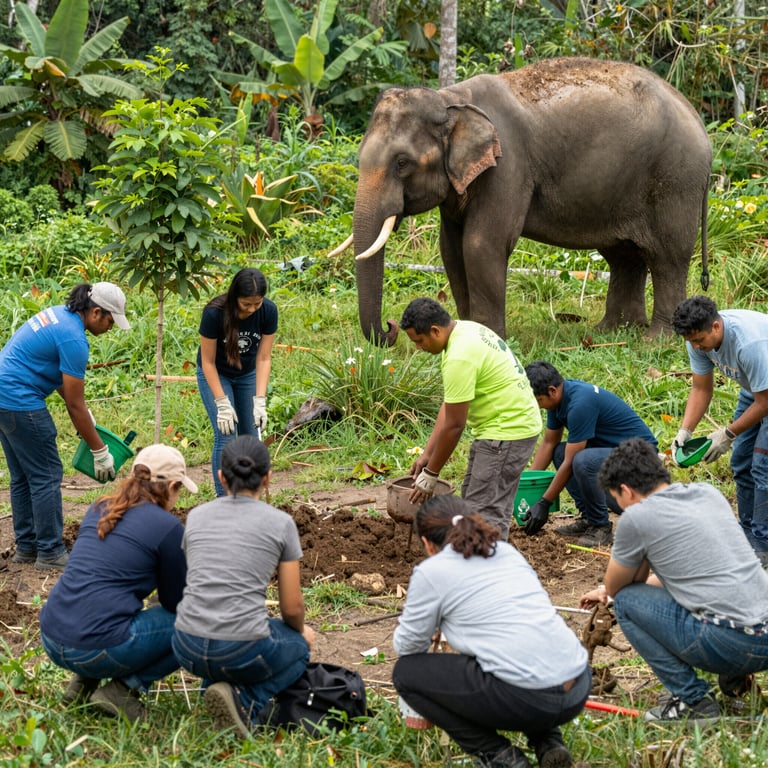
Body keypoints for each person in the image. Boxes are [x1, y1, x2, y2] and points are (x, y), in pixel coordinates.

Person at [579, 438, 768, 723]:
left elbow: (622, 590)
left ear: (626, 491)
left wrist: (611, 588)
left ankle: (693, 700)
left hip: (734, 643)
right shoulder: (708, 494)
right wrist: (609, 588)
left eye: (616, 499)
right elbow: (691, 574)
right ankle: (736, 683)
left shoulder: (637, 517)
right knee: (719, 592)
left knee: (627, 603)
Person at [393, 495, 590, 768]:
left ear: (427, 543)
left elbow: (408, 647)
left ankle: (500, 756)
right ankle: (549, 743)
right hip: (577, 684)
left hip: (529, 699)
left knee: (406, 673)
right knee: (515, 652)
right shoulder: (506, 552)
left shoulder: (432, 571)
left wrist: (435, 622)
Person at [39, 444, 197, 722]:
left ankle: (82, 685)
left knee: (102, 605)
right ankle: (123, 690)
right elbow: (177, 603)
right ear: (172, 486)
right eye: (179, 490)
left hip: (52, 635)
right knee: (195, 623)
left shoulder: (101, 507)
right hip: (93, 648)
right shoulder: (168, 527)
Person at [172, 435, 315, 738]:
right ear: (268, 478)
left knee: (221, 632)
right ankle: (246, 703)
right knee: (300, 647)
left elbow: (192, 583)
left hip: (186, 645)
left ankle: (211, 697)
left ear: (221, 477)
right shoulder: (281, 523)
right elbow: (292, 608)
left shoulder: (196, 516)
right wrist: (300, 633)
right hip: (240, 647)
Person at [0, 282, 130, 570]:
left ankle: (27, 547)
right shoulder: (74, 339)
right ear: (96, 312)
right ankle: (50, 552)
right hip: (20, 399)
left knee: (22, 475)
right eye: (111, 321)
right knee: (46, 474)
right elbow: (74, 405)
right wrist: (100, 451)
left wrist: (87, 417)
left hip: (3, 395)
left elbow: (61, 379)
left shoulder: (60, 315)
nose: (110, 328)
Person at [401, 297, 542, 539]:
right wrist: (427, 454)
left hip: (506, 432)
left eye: (419, 340)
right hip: (509, 427)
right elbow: (450, 405)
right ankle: (490, 556)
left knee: (482, 515)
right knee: (477, 503)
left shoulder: (459, 356)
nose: (418, 348)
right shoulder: (464, 331)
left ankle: (489, 560)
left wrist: (431, 474)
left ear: (435, 331)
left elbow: (455, 426)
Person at [671, 295, 768, 563]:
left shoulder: (749, 343)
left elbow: (765, 402)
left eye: (699, 340)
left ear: (716, 326)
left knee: (763, 466)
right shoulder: (698, 338)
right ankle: (746, 531)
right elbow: (701, 389)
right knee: (741, 461)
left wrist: (727, 433)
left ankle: (763, 542)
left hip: (765, 393)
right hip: (756, 389)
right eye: (691, 341)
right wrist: (685, 431)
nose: (696, 346)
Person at [523, 361, 658, 547]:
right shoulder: (558, 399)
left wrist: (544, 503)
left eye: (538, 400)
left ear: (552, 391)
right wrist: (525, 484)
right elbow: (549, 443)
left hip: (641, 456)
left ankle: (600, 525)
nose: (538, 406)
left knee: (582, 461)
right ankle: (588, 518)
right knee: (559, 452)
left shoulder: (580, 403)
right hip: (613, 453)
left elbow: (571, 462)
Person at [197, 268, 277, 496]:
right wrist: (222, 403)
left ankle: (249, 497)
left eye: (257, 304)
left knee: (251, 437)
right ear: (235, 297)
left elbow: (264, 358)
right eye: (246, 304)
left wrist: (260, 400)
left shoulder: (268, 311)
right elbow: (208, 362)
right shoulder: (214, 314)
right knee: (226, 434)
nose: (252, 309)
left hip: (247, 374)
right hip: (216, 373)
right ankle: (224, 498)